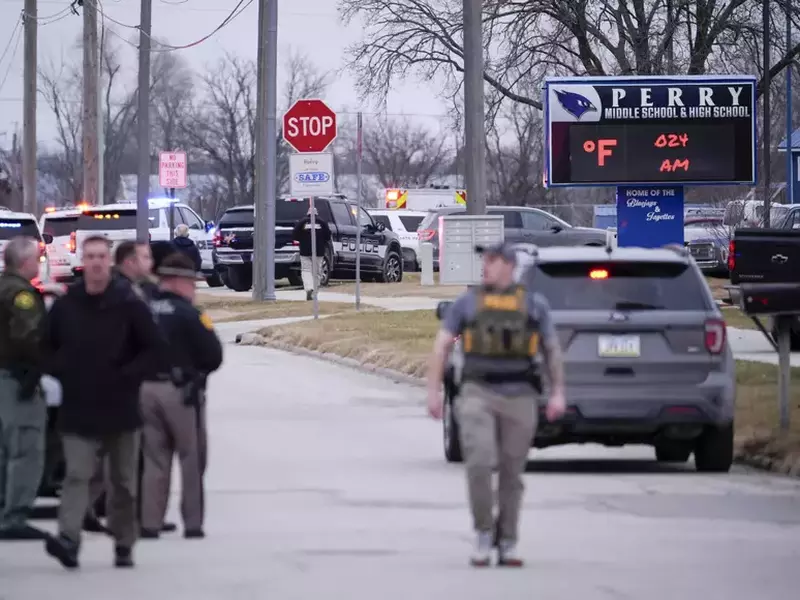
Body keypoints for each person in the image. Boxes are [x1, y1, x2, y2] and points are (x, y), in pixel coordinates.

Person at [426, 241, 566, 568]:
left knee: (511, 471)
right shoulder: (467, 303)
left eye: (491, 260)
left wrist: (558, 392)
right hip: (477, 392)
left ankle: (508, 541)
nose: (485, 266)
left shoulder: (533, 305)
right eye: (484, 260)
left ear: (509, 265)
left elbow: (551, 350)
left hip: (520, 395)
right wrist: (433, 391)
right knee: (478, 461)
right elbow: (441, 346)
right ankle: (483, 533)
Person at [43, 235, 165, 570]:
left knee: (124, 483)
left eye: (101, 256)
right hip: (79, 407)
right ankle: (68, 539)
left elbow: (154, 348)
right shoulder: (69, 305)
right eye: (91, 256)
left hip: (120, 408)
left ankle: (124, 543)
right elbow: (45, 346)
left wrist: (129, 374)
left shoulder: (128, 303)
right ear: (84, 260)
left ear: (109, 261)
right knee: (77, 476)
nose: (96, 262)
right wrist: (62, 370)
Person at [83, 240, 178, 536]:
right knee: (128, 452)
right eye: (145, 257)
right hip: (121, 382)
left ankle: (97, 509)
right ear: (129, 262)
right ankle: (128, 514)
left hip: (118, 380)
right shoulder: (124, 292)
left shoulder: (135, 288)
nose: (150, 262)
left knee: (112, 452)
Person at [140, 253, 223, 539]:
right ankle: (193, 523)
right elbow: (214, 355)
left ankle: (150, 522)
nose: (194, 289)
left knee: (154, 459)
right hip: (181, 393)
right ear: (177, 281)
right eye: (192, 283)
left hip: (145, 391)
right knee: (192, 457)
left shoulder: (144, 309)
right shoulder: (190, 314)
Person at [0, 237, 49, 540]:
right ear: (23, 262)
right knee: (26, 448)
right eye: (35, 259)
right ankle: (15, 516)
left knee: (4, 448)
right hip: (16, 378)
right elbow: (28, 336)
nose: (38, 263)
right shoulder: (21, 294)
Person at [292, 205, 331, 300]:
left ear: (308, 213)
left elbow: (295, 235)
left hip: (305, 251)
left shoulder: (302, 222)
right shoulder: (322, 223)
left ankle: (309, 288)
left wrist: (303, 239)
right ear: (317, 213)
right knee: (317, 272)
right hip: (319, 252)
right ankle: (315, 291)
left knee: (306, 270)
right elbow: (328, 236)